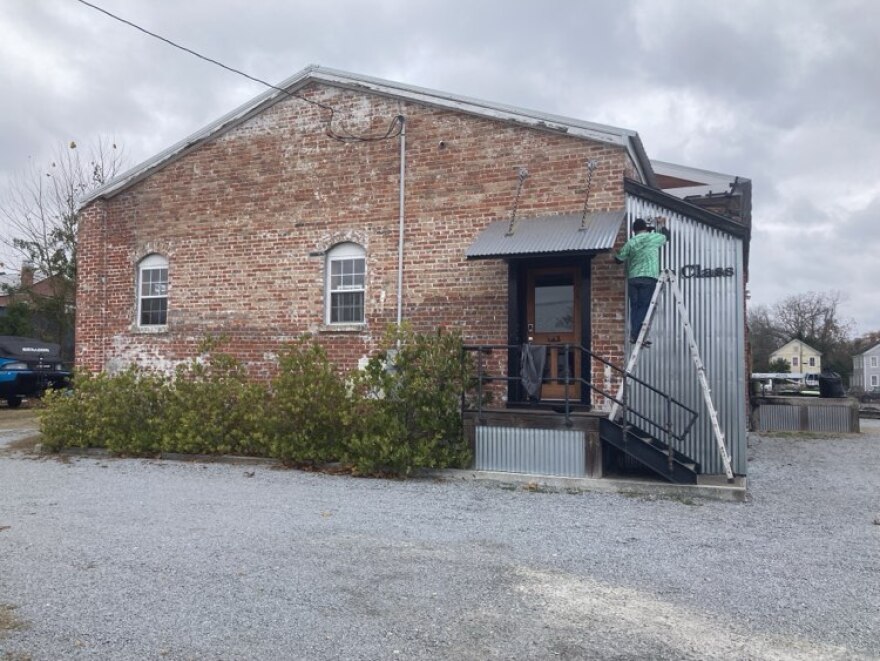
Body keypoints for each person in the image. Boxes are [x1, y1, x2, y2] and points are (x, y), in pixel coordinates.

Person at [614, 216, 670, 346]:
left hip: (633, 278)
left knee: (635, 307)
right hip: (648, 277)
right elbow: (667, 236)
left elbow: (618, 260)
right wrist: (661, 225)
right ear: (645, 229)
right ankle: (640, 335)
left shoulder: (631, 242)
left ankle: (634, 334)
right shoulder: (653, 237)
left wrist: (618, 252)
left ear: (634, 231)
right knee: (645, 306)